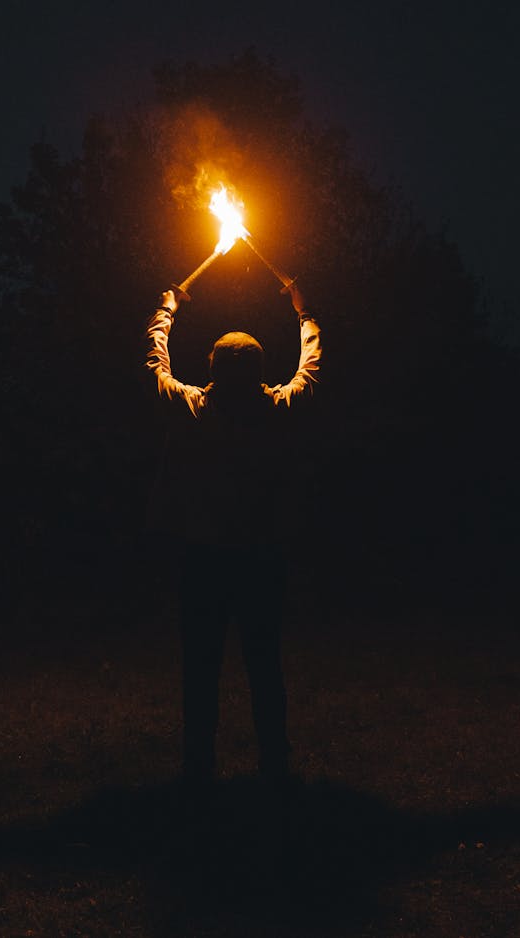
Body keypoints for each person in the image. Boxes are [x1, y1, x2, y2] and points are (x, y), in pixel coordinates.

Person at [144, 282, 321, 787]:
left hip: (202, 562)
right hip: (262, 562)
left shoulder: (190, 410)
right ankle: (274, 766)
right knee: (264, 664)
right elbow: (312, 365)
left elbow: (153, 362)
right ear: (261, 372)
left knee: (201, 669)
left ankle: (198, 768)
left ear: (212, 368)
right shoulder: (282, 411)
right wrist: (306, 311)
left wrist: (167, 308)